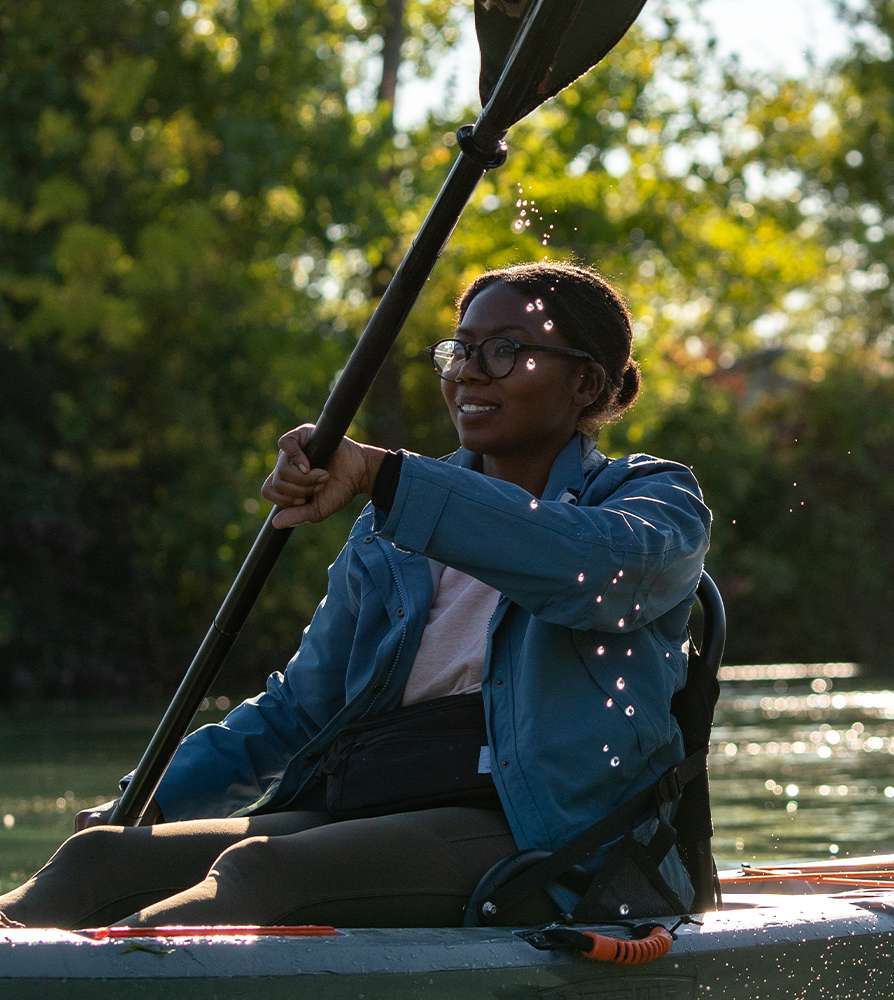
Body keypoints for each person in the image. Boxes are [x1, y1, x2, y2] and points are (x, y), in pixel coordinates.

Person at [0, 262, 711, 930]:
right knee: (98, 860)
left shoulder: (652, 500)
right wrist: (144, 800)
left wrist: (386, 476)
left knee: (261, 871)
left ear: (585, 385)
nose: (467, 372)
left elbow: (594, 571)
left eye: (503, 350)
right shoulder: (391, 531)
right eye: (459, 349)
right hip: (379, 800)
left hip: (554, 835)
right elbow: (298, 711)